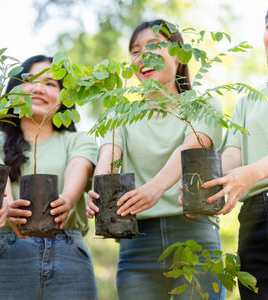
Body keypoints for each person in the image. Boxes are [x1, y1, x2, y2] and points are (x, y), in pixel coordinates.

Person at [86, 19, 226, 300]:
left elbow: (190, 149)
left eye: (153, 46)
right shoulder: (119, 114)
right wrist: (100, 186)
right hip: (138, 242)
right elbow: (109, 154)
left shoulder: (203, 104)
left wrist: (155, 188)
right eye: (136, 50)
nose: (143, 56)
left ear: (178, 54)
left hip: (194, 234)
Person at [0, 55, 99, 299]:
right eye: (30, 80)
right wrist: (8, 208)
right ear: (13, 91)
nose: (39, 88)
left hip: (69, 255)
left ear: (65, 97)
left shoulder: (79, 141)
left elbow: (78, 169)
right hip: (8, 253)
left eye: (51, 84)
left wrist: (68, 200)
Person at [202, 0, 268, 299]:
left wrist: (250, 174)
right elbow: (234, 154)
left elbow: (249, 170)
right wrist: (208, 184)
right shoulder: (250, 100)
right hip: (253, 219)